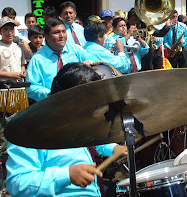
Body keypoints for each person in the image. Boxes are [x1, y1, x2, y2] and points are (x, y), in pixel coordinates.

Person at [6, 62, 127, 197]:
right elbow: (17, 183)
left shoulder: (75, 120)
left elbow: (88, 143)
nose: (93, 107)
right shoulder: (30, 132)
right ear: (68, 99)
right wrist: (66, 175)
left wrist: (112, 148)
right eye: (88, 101)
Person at [26, 18, 93, 102]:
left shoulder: (75, 49)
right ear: (46, 36)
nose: (61, 35)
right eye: (56, 32)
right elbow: (31, 88)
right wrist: (53, 95)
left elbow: (92, 59)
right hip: (53, 106)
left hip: (79, 101)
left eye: (64, 31)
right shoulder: (38, 59)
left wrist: (88, 62)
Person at [0, 17, 26, 81]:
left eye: (11, 29)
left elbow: (22, 64)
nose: (9, 33)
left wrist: (23, 71)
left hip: (19, 87)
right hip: (4, 87)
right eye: (6, 30)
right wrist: (11, 75)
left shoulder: (19, 46)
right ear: (0, 32)